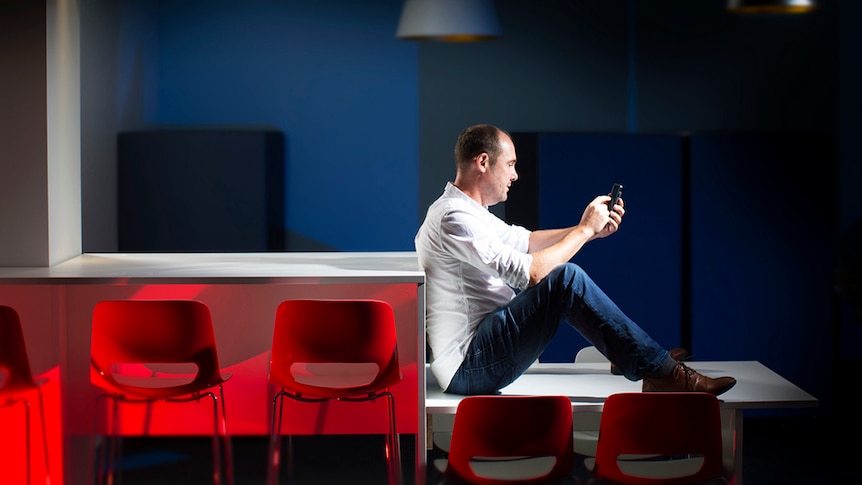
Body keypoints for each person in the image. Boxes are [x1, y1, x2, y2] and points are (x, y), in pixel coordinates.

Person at [414, 124, 736, 396]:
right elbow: (534, 274)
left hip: (479, 352)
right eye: (510, 164)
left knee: (565, 279)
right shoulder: (453, 217)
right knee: (566, 280)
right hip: (470, 365)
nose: (516, 174)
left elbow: (526, 242)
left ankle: (636, 357)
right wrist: (583, 231)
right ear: (483, 162)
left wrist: (590, 230)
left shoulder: (469, 212)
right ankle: (664, 373)